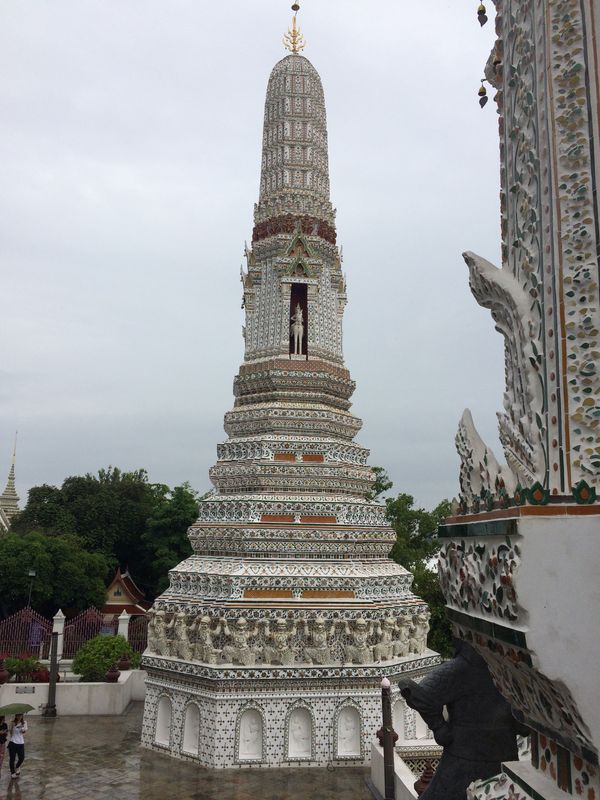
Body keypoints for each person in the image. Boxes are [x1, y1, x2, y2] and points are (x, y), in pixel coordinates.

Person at [7, 714, 27, 779]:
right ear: (15, 716)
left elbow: (24, 732)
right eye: (18, 715)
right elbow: (11, 733)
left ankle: (17, 766)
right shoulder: (12, 722)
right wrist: (12, 726)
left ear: (22, 716)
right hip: (13, 742)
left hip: (21, 743)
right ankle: (12, 772)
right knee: (12, 759)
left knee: (22, 758)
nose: (19, 717)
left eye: (20, 715)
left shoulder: (24, 722)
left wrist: (22, 729)